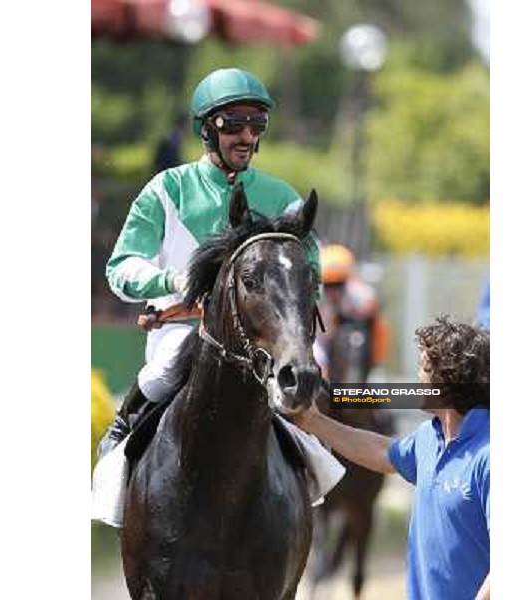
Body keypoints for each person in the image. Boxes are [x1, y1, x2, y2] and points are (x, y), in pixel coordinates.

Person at [96, 68, 343, 504]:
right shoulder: (166, 189)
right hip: (184, 326)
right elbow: (121, 266)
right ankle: (120, 443)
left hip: (265, 336)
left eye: (257, 125)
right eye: (233, 124)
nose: (247, 135)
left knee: (303, 377)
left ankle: (311, 471)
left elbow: (311, 270)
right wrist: (170, 280)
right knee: (164, 367)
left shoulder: (282, 195)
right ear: (207, 130)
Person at [294, 316, 490, 600]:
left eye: (424, 369)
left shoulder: (489, 455)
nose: (418, 378)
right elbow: (380, 452)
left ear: (448, 379)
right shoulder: (428, 437)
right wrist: (311, 421)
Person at [314, 243, 389, 379]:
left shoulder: (359, 293)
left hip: (356, 338)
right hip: (324, 340)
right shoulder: (317, 299)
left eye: (338, 284)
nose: (333, 291)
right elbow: (319, 336)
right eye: (329, 285)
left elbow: (373, 309)